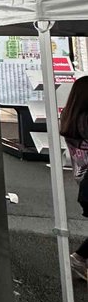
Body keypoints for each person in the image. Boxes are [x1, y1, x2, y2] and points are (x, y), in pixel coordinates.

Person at [60, 76, 88, 280]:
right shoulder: (86, 120)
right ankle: (79, 257)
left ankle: (80, 257)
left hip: (84, 180)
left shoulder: (72, 118)